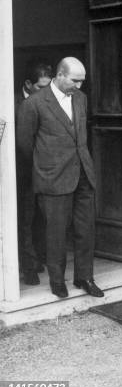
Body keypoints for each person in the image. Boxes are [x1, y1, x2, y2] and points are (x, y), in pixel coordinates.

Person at [17, 57, 103, 299]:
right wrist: (46, 167)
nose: (79, 86)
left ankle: (85, 277)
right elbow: (25, 144)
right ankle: (57, 281)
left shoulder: (81, 98)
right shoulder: (34, 104)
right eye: (75, 80)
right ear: (60, 75)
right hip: (53, 178)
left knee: (86, 230)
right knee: (55, 233)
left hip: (83, 175)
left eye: (82, 81)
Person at [14, 60, 52, 285]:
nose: (45, 93)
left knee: (42, 216)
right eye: (40, 87)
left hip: (45, 171)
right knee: (25, 218)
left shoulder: (46, 102)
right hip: (23, 172)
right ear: (28, 83)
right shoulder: (13, 103)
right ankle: (27, 266)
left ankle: (38, 258)